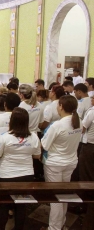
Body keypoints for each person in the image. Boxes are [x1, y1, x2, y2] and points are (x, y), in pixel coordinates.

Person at [0, 107, 41, 230]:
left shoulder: (5, 137)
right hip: (26, 176)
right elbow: (37, 156)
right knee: (21, 205)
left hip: (6, 176)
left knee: (3, 205)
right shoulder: (34, 137)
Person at [41, 95, 82, 230]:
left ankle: (54, 227)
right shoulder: (78, 121)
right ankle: (62, 222)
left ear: (61, 107)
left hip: (55, 164)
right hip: (70, 162)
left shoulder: (58, 125)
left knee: (55, 198)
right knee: (64, 193)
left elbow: (45, 145)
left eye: (58, 105)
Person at [79, 95, 94, 229]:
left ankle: (86, 204)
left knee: (86, 174)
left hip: (90, 146)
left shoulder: (92, 111)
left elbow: (83, 127)